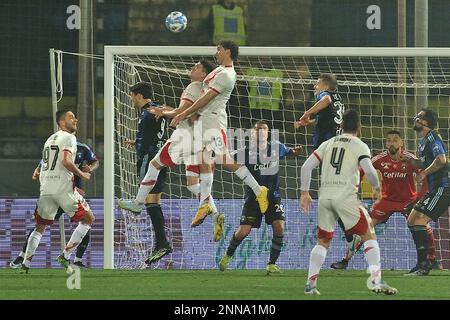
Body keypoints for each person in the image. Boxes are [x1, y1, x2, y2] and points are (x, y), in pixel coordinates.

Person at [121, 40, 270, 240]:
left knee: (209, 160)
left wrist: (176, 113)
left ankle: (212, 202)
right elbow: (196, 103)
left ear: (227, 51)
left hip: (205, 127)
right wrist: (177, 112)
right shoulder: (217, 73)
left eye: (218, 49)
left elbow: (201, 101)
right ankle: (215, 206)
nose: (194, 68)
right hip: (200, 127)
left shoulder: (221, 77)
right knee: (204, 170)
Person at [300, 109, 397, 295]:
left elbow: (306, 166)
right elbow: (369, 170)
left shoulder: (328, 143)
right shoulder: (360, 145)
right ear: (359, 127)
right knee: (369, 235)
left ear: (341, 125)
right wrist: (377, 188)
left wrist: (304, 193)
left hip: (325, 197)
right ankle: (376, 281)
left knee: (322, 240)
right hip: (345, 197)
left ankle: (311, 284)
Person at [330, 130, 441, 270]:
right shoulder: (380, 159)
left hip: (408, 201)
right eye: (388, 140)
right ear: (386, 143)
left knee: (424, 226)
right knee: (365, 228)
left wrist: (419, 198)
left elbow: (425, 177)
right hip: (386, 201)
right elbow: (362, 170)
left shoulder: (410, 159)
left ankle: (432, 260)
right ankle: (345, 261)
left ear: (402, 143)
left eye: (395, 140)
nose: (391, 143)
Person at [149, 60, 225, 241]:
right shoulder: (203, 89)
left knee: (200, 173)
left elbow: (186, 112)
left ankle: (208, 207)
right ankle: (214, 214)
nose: (193, 68)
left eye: (197, 67)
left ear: (204, 74)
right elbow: (188, 112)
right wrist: (170, 111)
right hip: (200, 137)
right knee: (192, 184)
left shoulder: (197, 87)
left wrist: (167, 113)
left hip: (196, 138)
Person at [218, 121, 302, 274]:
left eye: (263, 129)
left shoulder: (276, 147)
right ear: (252, 133)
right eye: (257, 129)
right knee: (243, 231)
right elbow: (228, 160)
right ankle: (227, 256)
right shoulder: (245, 151)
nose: (260, 132)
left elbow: (290, 152)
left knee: (279, 227)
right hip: (253, 197)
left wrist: (295, 151)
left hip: (273, 196)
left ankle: (271, 263)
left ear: (268, 133)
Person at [20, 110, 94, 274]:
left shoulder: (49, 139)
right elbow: (66, 161)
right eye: (70, 117)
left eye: (75, 116)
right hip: (62, 188)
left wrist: (38, 171)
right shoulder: (69, 138)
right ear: (61, 122)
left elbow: (44, 165)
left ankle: (25, 264)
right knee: (88, 218)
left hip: (45, 189)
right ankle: (65, 255)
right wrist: (82, 174)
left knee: (40, 227)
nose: (75, 119)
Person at [10, 140, 99, 269]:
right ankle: (22, 257)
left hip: (69, 193)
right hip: (62, 193)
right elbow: (37, 173)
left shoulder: (82, 148)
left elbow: (95, 161)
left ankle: (76, 260)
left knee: (85, 221)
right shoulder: (53, 150)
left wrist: (90, 168)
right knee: (43, 226)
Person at [123, 81, 172, 265]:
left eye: (132, 95)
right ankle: (161, 243)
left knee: (149, 200)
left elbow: (149, 137)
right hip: (160, 157)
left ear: (139, 95)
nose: (131, 99)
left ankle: (162, 243)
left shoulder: (150, 110)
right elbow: (152, 134)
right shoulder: (156, 108)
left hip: (149, 159)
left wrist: (140, 147)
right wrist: (135, 142)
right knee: (154, 201)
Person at [402, 108, 450, 276]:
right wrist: (412, 161)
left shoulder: (432, 137)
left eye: (419, 117)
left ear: (426, 123)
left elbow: (441, 160)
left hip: (444, 188)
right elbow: (425, 163)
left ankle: (425, 265)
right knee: (412, 219)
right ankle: (422, 263)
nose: (415, 118)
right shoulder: (423, 142)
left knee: (418, 220)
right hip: (436, 188)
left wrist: (423, 174)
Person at [295, 73, 345, 149]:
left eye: (317, 84)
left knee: (317, 160)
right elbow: (330, 118)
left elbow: (326, 100)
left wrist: (307, 113)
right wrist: (310, 122)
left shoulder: (324, 93)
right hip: (337, 138)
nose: (314, 86)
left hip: (325, 140)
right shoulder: (337, 97)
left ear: (325, 87)